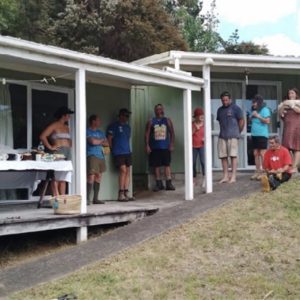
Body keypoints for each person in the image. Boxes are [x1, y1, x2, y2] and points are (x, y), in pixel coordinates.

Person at [40, 106, 73, 196]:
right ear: (63, 115)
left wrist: (70, 146)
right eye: (68, 115)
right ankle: (56, 198)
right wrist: (50, 147)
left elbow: (69, 139)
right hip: (58, 151)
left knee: (64, 177)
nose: (69, 117)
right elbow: (43, 136)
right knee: (56, 176)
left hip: (67, 152)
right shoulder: (54, 125)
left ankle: (63, 199)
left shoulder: (67, 127)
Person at [145, 104, 175, 191]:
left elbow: (172, 133)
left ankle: (168, 182)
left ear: (163, 110)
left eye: (160, 109)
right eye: (157, 109)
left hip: (165, 146)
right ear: (155, 111)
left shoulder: (167, 120)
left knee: (167, 164)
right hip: (155, 147)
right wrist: (147, 145)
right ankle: (158, 183)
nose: (159, 110)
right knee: (156, 165)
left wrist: (172, 144)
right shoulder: (151, 121)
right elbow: (146, 134)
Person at [217, 91, 244, 183]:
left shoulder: (236, 108)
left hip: (233, 136)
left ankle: (233, 177)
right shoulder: (219, 110)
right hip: (222, 136)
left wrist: (238, 132)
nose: (225, 102)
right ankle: (225, 176)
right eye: (223, 100)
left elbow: (241, 121)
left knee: (233, 156)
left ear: (230, 99)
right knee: (223, 156)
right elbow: (220, 122)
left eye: (226, 100)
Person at [107, 108, 133, 201]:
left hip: (127, 151)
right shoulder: (113, 126)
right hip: (118, 152)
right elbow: (109, 138)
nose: (127, 117)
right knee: (123, 170)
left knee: (128, 171)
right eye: (125, 115)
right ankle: (120, 193)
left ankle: (126, 192)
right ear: (120, 115)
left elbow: (128, 138)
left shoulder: (128, 127)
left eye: (128, 116)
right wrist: (111, 149)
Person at [86, 115, 108, 205]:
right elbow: (92, 142)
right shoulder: (87, 131)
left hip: (101, 156)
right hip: (92, 155)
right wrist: (100, 141)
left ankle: (96, 199)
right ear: (93, 121)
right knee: (91, 176)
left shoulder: (100, 132)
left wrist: (98, 141)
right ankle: (87, 199)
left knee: (99, 176)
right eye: (98, 120)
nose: (100, 122)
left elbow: (107, 143)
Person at [278, 88, 300, 173]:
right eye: (289, 93)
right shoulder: (285, 103)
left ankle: (295, 167)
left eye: (292, 93)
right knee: (286, 147)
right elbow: (281, 114)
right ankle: (288, 166)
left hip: (297, 128)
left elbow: (298, 111)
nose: (290, 95)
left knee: (297, 148)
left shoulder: (298, 103)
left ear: (296, 94)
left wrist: (291, 105)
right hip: (287, 128)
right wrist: (283, 106)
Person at [250, 95, 271, 180]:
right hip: (254, 134)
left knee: (262, 154)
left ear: (258, 102)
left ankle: (264, 172)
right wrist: (251, 117)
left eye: (254, 102)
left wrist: (258, 116)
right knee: (256, 153)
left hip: (262, 134)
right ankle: (257, 171)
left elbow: (267, 121)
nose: (253, 104)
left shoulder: (265, 109)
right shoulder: (254, 110)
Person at [192, 107, 205, 187]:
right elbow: (189, 135)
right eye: (200, 116)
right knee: (192, 163)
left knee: (203, 162)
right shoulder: (192, 124)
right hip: (193, 146)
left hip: (202, 146)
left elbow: (207, 134)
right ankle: (193, 180)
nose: (201, 117)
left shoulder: (205, 124)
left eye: (202, 116)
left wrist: (205, 138)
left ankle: (205, 179)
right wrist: (195, 130)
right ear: (196, 116)